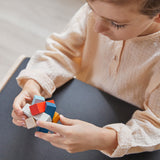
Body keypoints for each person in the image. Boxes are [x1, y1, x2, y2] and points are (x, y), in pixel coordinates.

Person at [11, 0, 160, 158]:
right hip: (85, 101)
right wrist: (35, 83)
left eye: (116, 24)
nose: (97, 27)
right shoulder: (99, 10)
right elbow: (63, 51)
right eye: (91, 8)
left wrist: (103, 139)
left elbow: (156, 124)